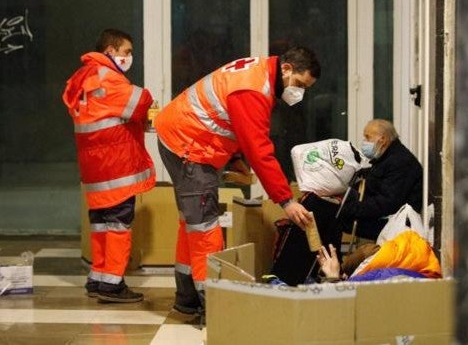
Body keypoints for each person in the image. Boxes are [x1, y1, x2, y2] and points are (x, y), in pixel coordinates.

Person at [154, 46, 321, 314]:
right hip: (190, 146)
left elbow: (230, 120)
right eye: (300, 84)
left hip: (180, 136)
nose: (299, 93)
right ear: (287, 69)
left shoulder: (258, 72)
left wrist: (234, 159)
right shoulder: (255, 89)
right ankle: (215, 306)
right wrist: (286, 200)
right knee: (205, 228)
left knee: (193, 223)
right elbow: (259, 150)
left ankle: (187, 298)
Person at [62, 29, 155, 303]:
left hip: (94, 165)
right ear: (110, 51)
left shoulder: (82, 77)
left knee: (101, 223)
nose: (129, 57)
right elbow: (141, 101)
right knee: (118, 224)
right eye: (126, 52)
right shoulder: (108, 77)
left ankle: (98, 278)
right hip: (115, 163)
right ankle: (112, 284)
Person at [340, 119, 423, 240]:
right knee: (334, 211)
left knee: (336, 218)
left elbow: (387, 203)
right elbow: (380, 177)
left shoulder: (400, 161)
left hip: (394, 224)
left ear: (382, 140)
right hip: (386, 215)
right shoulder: (388, 156)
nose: (364, 142)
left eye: (368, 138)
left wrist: (351, 208)